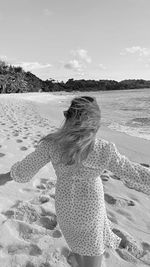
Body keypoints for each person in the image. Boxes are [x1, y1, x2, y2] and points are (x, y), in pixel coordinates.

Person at [1, 96, 150, 267]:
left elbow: (25, 169)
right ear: (95, 124)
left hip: (66, 207)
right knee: (93, 253)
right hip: (90, 210)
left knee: (77, 245)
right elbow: (134, 172)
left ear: (68, 119)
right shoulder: (103, 149)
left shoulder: (52, 144)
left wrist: (4, 178)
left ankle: (77, 261)